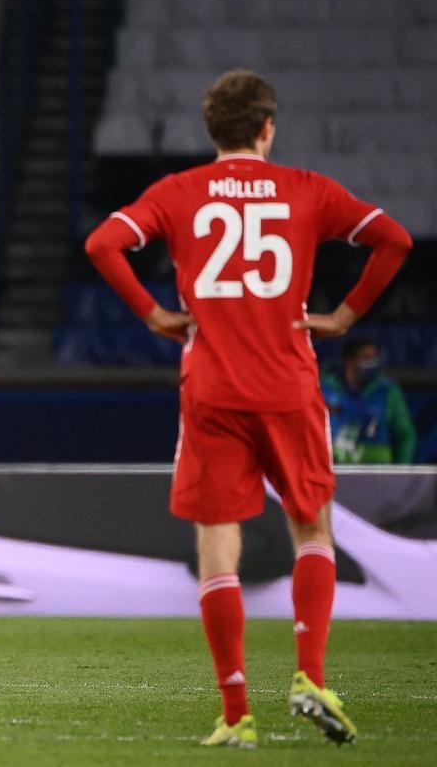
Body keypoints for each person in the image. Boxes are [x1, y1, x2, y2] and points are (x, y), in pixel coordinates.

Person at [84, 70, 412, 747]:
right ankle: (310, 677)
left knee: (218, 549)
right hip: (289, 383)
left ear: (212, 131)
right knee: (311, 529)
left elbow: (102, 244)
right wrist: (345, 315)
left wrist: (152, 314)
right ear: (267, 128)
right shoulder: (307, 190)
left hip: (211, 386)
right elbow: (395, 240)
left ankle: (236, 716)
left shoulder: (179, 193)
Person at [322, 336, 416, 464]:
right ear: (349, 361)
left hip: (378, 474)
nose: (372, 363)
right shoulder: (325, 389)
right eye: (366, 358)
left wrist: (402, 472)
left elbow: (405, 436)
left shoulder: (387, 391)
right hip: (336, 472)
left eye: (374, 358)